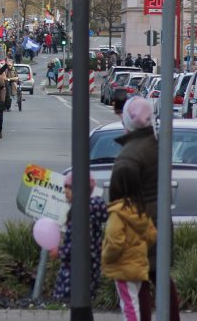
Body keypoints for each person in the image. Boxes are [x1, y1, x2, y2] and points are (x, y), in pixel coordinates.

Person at [112, 96, 181, 321]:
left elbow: (119, 199)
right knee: (161, 277)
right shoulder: (156, 145)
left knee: (138, 279)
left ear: (129, 121)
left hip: (137, 226)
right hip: (159, 220)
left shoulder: (128, 157)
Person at [102, 165, 157, 321]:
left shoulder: (117, 213)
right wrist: (139, 249)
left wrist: (106, 257)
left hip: (123, 266)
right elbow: (152, 235)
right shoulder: (140, 210)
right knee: (133, 302)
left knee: (129, 306)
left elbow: (114, 241)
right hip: (138, 264)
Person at [51, 172, 108, 302]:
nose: (65, 191)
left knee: (73, 303)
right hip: (90, 266)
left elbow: (79, 243)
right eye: (65, 187)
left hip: (75, 270)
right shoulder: (91, 209)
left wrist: (59, 252)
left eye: (69, 187)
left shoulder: (81, 212)